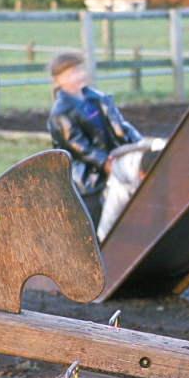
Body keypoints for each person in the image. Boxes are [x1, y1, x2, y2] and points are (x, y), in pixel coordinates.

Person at [46, 52, 143, 227]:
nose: (78, 76)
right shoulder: (60, 112)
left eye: (79, 70)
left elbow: (119, 125)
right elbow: (78, 146)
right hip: (86, 176)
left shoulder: (97, 98)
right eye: (70, 74)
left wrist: (138, 144)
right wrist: (104, 161)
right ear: (58, 81)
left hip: (113, 160)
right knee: (93, 219)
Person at [96, 137, 165, 241]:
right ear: (141, 174)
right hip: (103, 192)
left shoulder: (151, 159)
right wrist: (104, 242)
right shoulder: (123, 182)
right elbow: (111, 213)